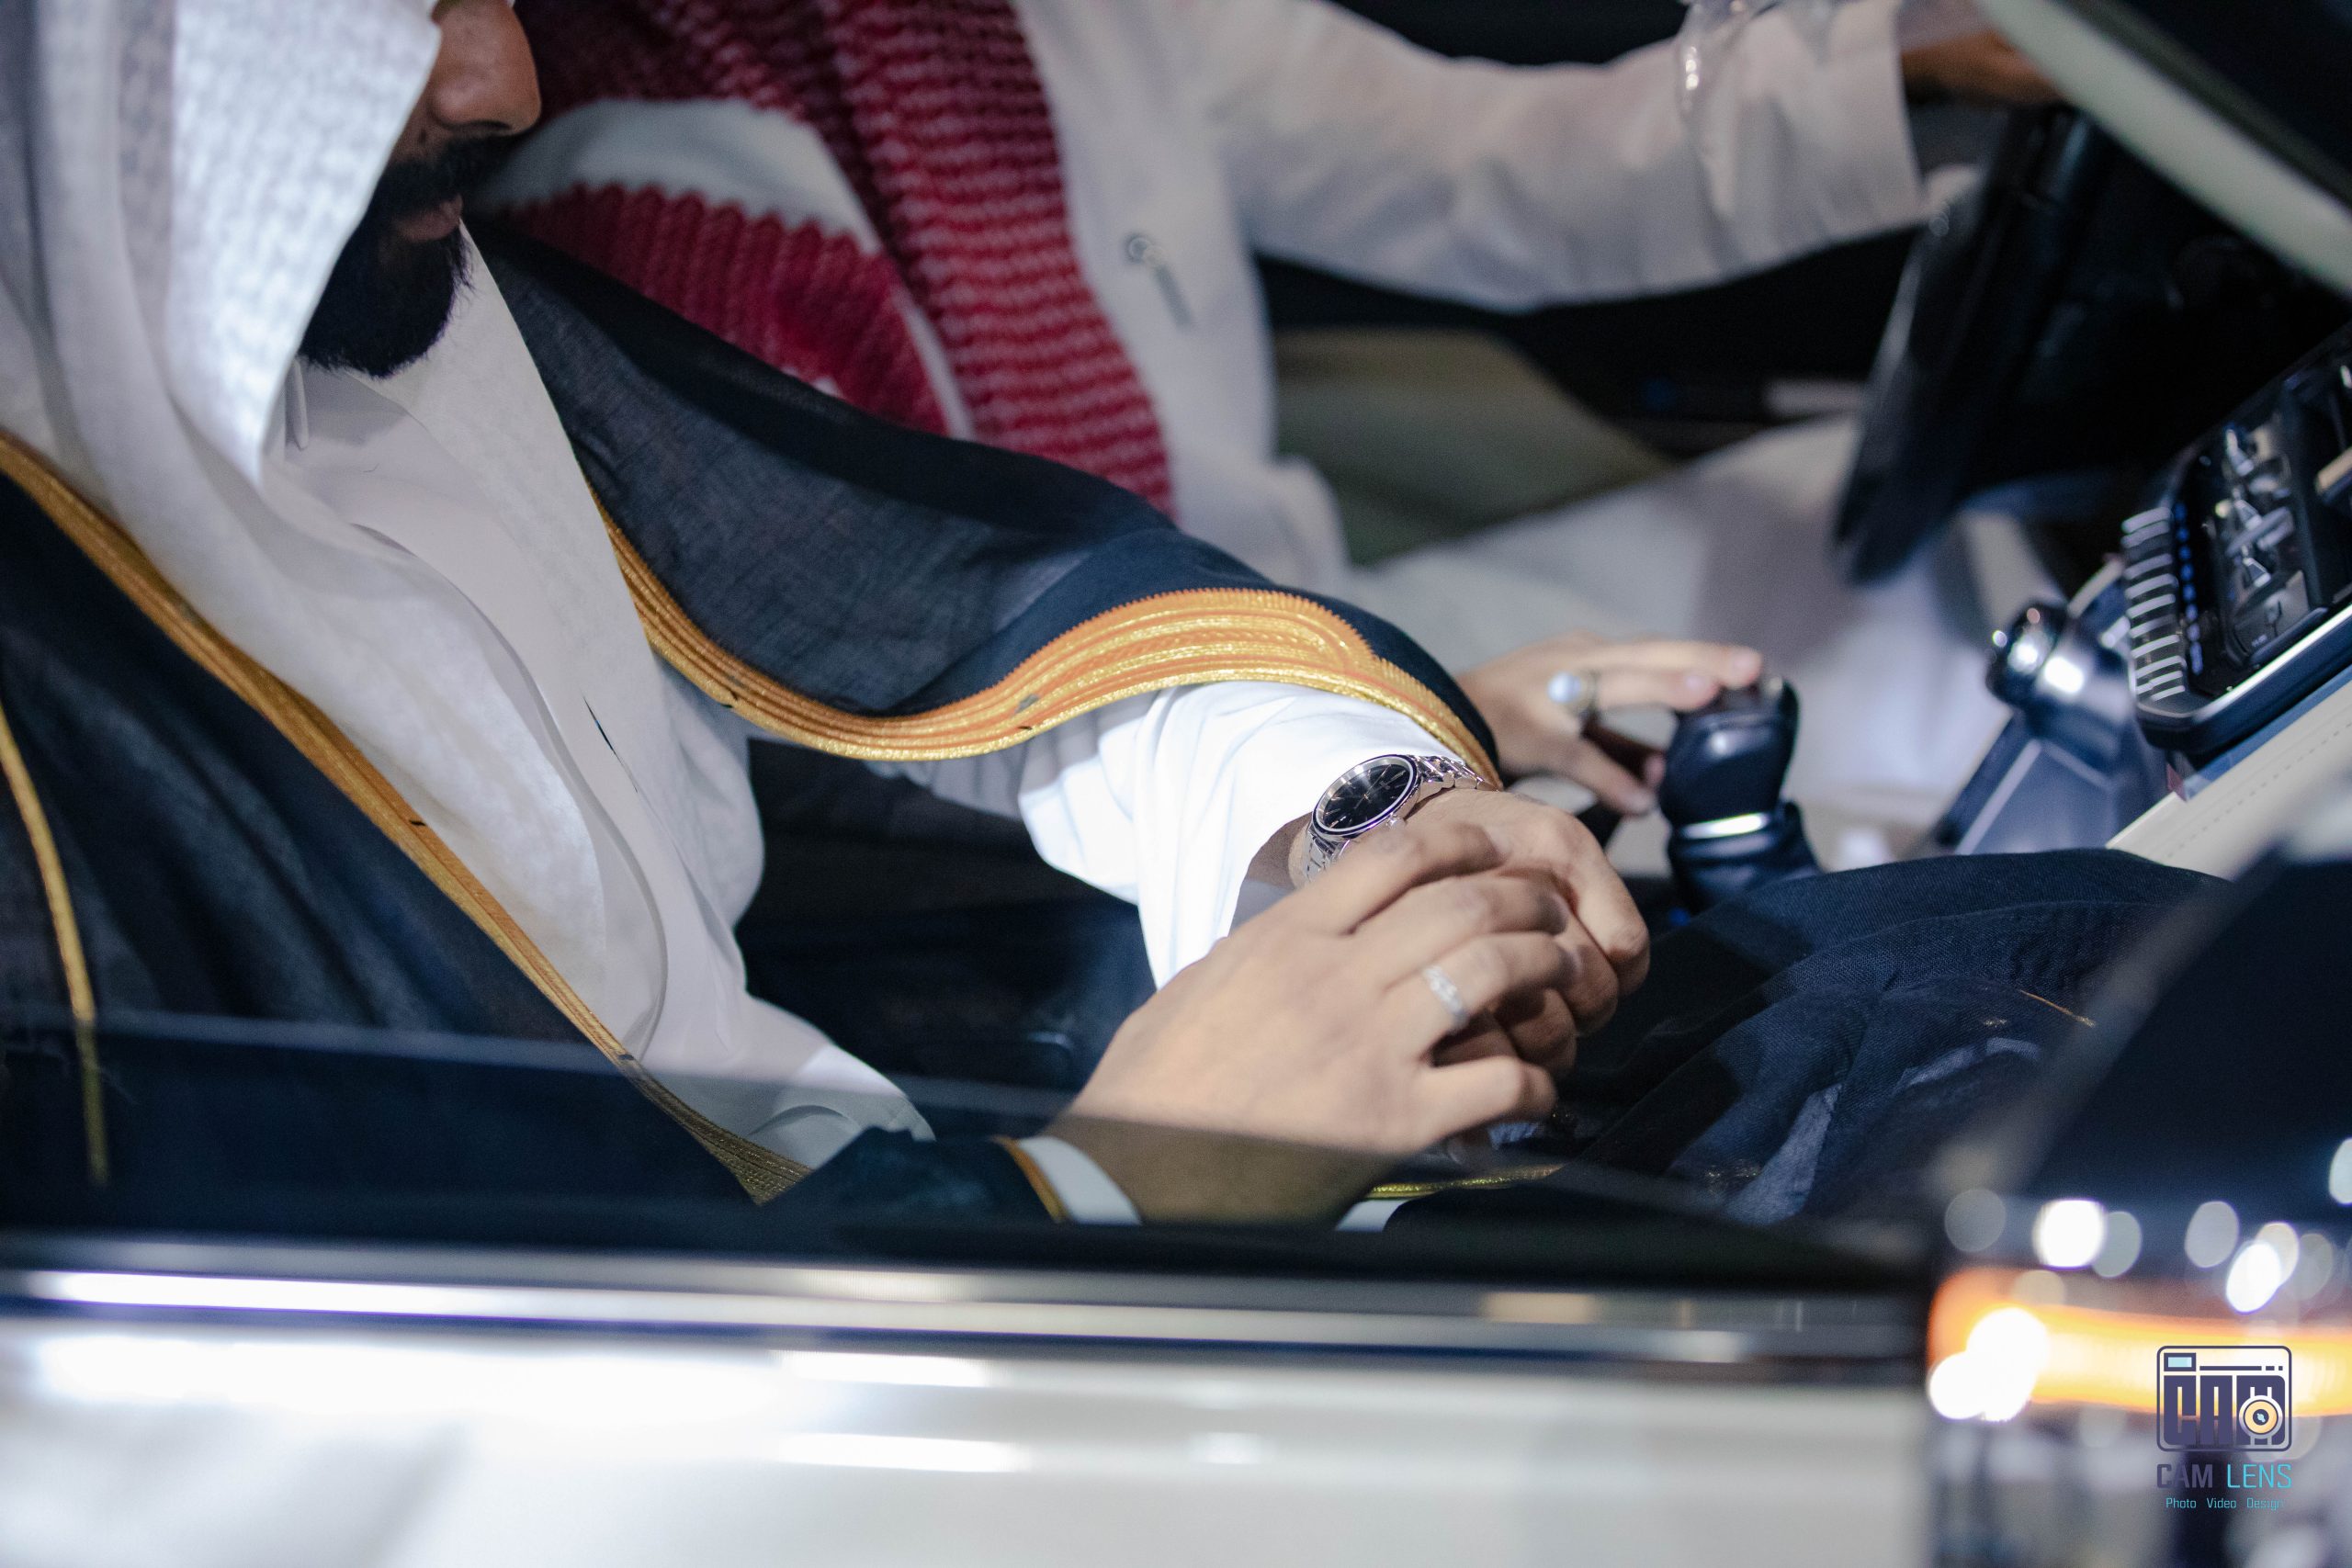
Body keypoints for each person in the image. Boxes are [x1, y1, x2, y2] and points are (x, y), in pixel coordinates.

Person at [0, 0, 1642, 1226]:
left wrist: (1352, 833)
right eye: (400, 6)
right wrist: (1114, 1187)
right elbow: (324, 1421)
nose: (508, 80)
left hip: (900, 1212)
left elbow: (947, 603)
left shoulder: (403, 320)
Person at [485, 0, 2051, 828]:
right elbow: (873, 731)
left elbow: (1495, 164)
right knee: (1869, 776)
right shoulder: (638, 180)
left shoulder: (1077, 20)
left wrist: (1907, 69)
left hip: (1307, 628)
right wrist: (1413, 718)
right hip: (1121, 796)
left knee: (1886, 554)